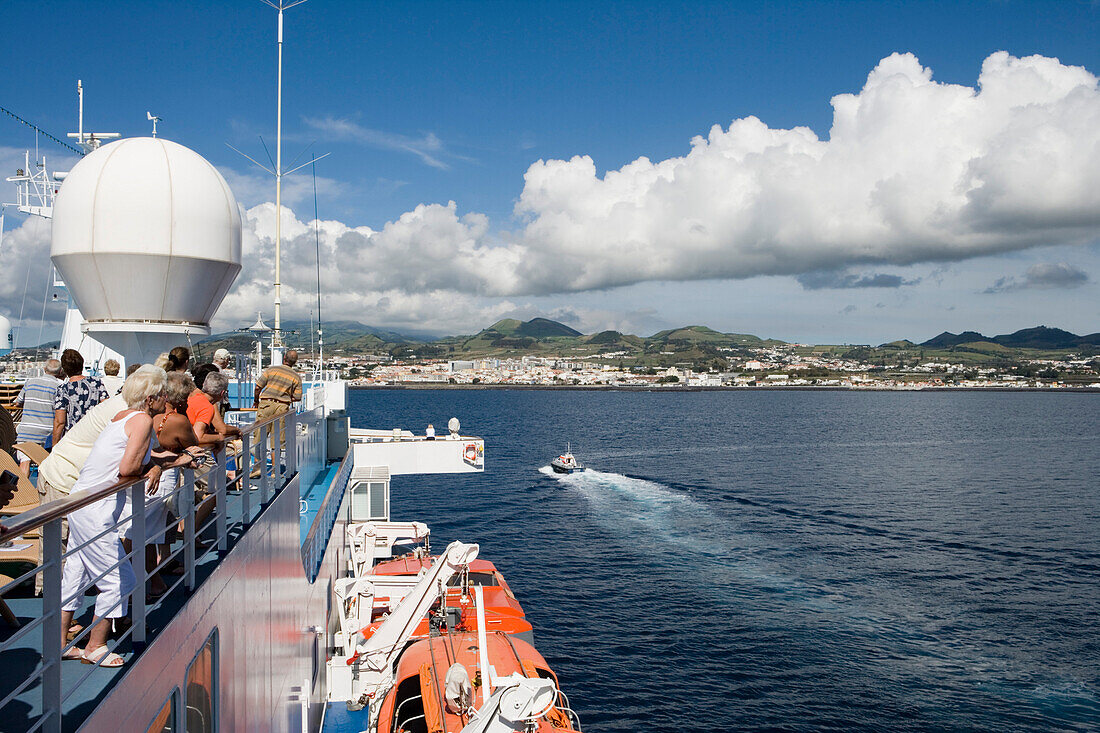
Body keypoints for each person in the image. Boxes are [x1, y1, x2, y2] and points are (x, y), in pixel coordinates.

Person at [59, 365, 169, 667]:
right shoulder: (145, 420)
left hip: (80, 500)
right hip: (98, 510)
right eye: (162, 394)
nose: (166, 399)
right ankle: (96, 646)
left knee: (76, 574)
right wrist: (155, 468)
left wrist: (157, 462)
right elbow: (128, 469)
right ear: (149, 399)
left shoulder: (120, 417)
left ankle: (59, 643)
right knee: (121, 580)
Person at [13, 358, 64, 477]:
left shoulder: (30, 382)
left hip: (27, 431)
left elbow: (18, 402)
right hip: (47, 433)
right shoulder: (59, 386)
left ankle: (22, 491)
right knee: (43, 464)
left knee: (24, 462)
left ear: (44, 369)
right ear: (60, 371)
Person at [53, 349, 109, 445]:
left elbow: (60, 422)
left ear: (64, 369)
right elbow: (106, 407)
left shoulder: (62, 390)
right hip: (95, 436)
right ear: (81, 364)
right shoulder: (96, 382)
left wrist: (55, 445)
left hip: (73, 439)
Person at [253, 349, 302, 452]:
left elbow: (258, 387)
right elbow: (297, 397)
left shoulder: (271, 370)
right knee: (277, 443)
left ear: (284, 358)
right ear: (295, 362)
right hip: (282, 408)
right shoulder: (296, 377)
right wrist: (286, 398)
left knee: (259, 439)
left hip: (265, 405)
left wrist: (256, 401)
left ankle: (257, 467)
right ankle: (275, 468)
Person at [188, 368, 240, 446]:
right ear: (222, 393)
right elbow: (198, 436)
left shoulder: (192, 398)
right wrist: (219, 438)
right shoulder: (207, 406)